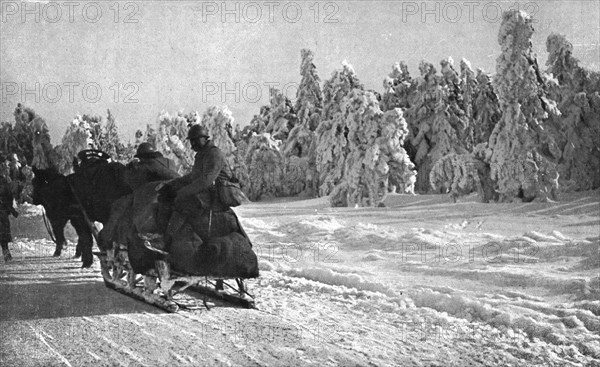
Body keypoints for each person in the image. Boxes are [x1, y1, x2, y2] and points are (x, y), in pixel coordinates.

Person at [151, 125, 231, 246]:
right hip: (206, 190)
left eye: (195, 140)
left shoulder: (214, 153)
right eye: (191, 141)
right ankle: (162, 233)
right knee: (164, 197)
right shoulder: (202, 154)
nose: (192, 144)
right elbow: (193, 177)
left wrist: (181, 192)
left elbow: (206, 180)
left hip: (216, 194)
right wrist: (171, 185)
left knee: (182, 203)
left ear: (204, 139)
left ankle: (167, 240)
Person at [0, 171, 18, 262]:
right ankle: (6, 253)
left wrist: (11, 209)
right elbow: (9, 197)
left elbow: (9, 197)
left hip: (2, 211)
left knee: (3, 234)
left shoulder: (3, 182)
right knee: (3, 234)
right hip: (3, 211)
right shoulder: (4, 182)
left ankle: (6, 253)